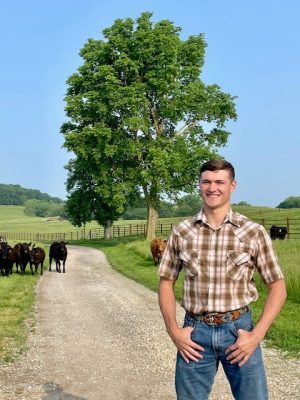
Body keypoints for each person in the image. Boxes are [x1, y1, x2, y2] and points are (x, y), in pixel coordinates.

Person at [158, 159, 286, 400]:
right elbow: (166, 282)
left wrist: (255, 336)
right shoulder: (182, 231)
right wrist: (174, 331)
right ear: (199, 185)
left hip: (239, 332)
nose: (212, 187)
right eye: (206, 181)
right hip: (195, 333)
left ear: (232, 185)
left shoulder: (252, 231)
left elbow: (278, 288)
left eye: (219, 182)